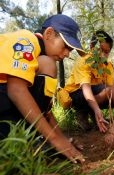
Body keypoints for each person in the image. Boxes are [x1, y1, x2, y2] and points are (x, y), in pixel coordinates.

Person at [0, 14, 85, 163]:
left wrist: (61, 139)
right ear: (49, 34)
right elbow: (16, 90)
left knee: (46, 64)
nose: (67, 53)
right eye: (65, 46)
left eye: (70, 50)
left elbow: (44, 112)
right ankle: (24, 143)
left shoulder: (39, 58)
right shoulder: (26, 40)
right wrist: (53, 139)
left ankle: (31, 141)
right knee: (47, 64)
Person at [64, 30, 114, 133]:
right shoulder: (84, 61)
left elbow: (112, 89)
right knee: (105, 90)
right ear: (92, 47)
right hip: (77, 94)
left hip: (97, 92)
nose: (103, 55)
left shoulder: (107, 66)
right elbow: (86, 88)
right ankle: (83, 111)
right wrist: (96, 108)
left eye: (107, 52)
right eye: (100, 50)